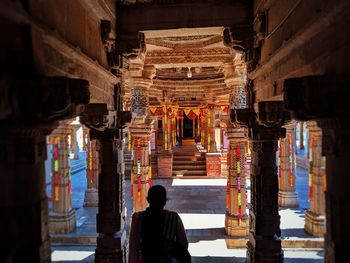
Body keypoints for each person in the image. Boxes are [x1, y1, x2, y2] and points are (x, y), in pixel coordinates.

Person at [129, 185, 190, 263]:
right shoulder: (173, 217)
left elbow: (134, 247)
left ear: (148, 200)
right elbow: (183, 244)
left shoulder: (138, 218)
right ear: (164, 201)